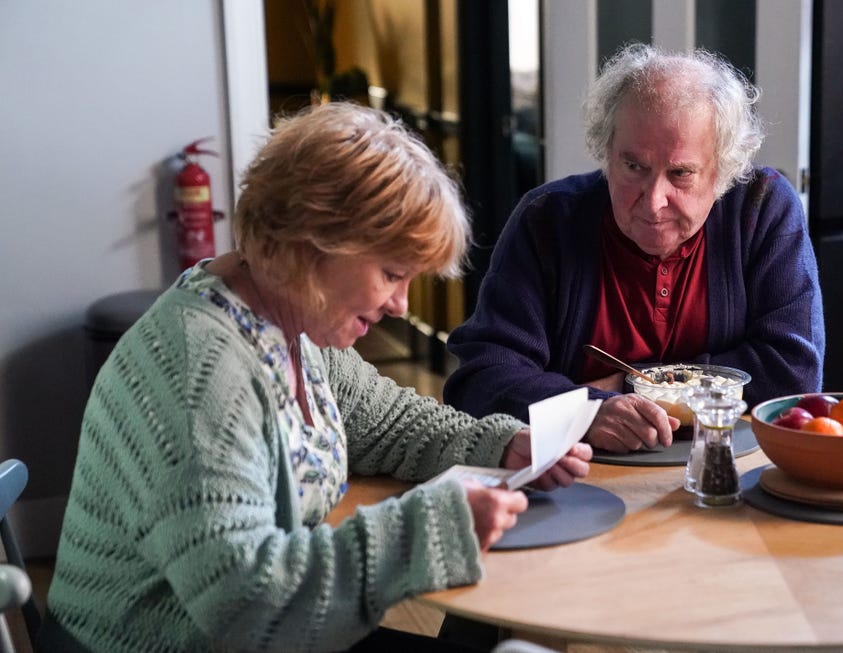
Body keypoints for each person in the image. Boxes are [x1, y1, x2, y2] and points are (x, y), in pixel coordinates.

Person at [38, 102, 591, 653]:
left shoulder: (289, 323)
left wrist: (501, 445)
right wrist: (427, 530)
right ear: (313, 244)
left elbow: (386, 421)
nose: (400, 305)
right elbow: (244, 605)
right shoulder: (200, 373)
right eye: (392, 273)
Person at [444, 43, 825, 454]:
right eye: (633, 166)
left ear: (723, 171)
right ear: (607, 153)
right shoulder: (548, 220)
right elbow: (481, 379)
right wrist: (588, 411)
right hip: (581, 474)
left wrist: (631, 385)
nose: (653, 201)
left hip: (728, 467)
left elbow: (793, 374)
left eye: (680, 173)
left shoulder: (761, 208)